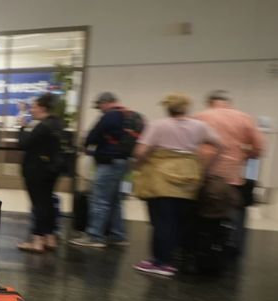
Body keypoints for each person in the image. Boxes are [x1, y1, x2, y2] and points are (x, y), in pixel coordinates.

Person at [132, 93, 221, 277]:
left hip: (160, 177)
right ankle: (170, 259)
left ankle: (160, 262)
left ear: (167, 108)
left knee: (161, 221)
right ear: (186, 107)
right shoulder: (200, 126)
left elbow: (141, 151)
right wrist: (206, 167)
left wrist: (138, 166)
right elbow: (220, 146)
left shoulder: (158, 125)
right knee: (180, 220)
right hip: (189, 175)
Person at [194, 90, 266, 257]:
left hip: (205, 176)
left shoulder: (199, 117)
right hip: (232, 177)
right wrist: (245, 156)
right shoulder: (244, 117)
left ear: (210, 102)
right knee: (237, 209)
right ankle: (234, 246)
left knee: (200, 211)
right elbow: (259, 147)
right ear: (229, 102)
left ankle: (198, 246)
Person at [71, 92, 143, 248]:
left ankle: (94, 236)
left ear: (106, 102)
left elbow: (92, 137)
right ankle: (118, 235)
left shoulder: (110, 116)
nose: (99, 109)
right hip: (123, 162)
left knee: (99, 200)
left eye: (99, 106)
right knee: (115, 201)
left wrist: (87, 144)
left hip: (108, 162)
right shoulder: (130, 115)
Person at [17, 93, 65, 253]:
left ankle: (37, 240)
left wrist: (22, 127)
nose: (33, 110)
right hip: (51, 170)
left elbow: (24, 143)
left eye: (35, 107)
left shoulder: (42, 127)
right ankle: (49, 237)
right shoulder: (57, 124)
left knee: (38, 204)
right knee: (48, 203)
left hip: (36, 170)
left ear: (42, 108)